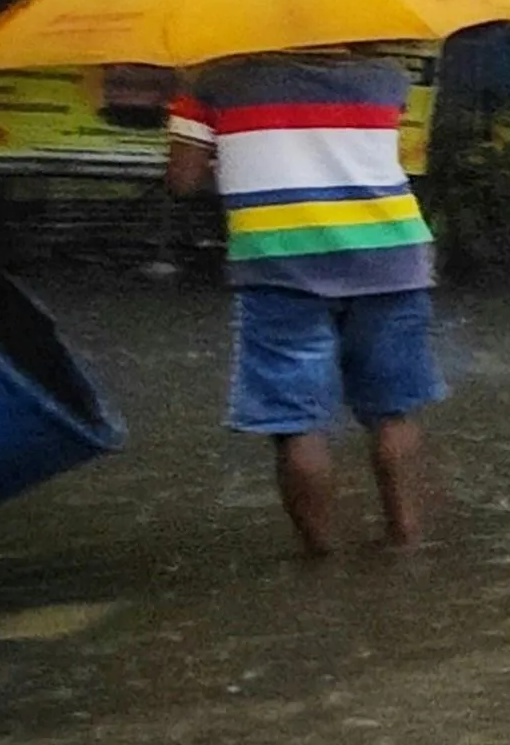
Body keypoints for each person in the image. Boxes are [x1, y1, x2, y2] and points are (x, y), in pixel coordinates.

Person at [164, 39, 443, 552]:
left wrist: (226, 153)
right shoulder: (385, 77)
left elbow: (182, 179)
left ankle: (318, 555)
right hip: (391, 256)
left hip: (281, 262)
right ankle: (405, 537)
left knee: (296, 422)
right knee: (393, 411)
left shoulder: (214, 81)